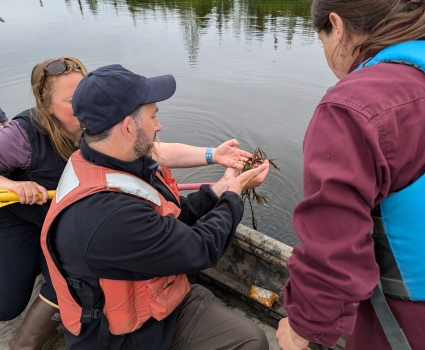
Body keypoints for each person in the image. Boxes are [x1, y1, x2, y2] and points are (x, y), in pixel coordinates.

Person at [0, 56, 252, 350]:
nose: (159, 125)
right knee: (10, 303)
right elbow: (201, 248)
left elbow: (166, 196)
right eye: (153, 116)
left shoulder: (100, 154)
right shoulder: (107, 211)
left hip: (134, 293)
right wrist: (234, 194)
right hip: (120, 333)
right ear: (127, 128)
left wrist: (217, 187)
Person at [276, 0, 425, 349]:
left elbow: (333, 254)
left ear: (337, 25)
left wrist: (300, 329)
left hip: (420, 331)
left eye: (322, 39)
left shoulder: (354, 105)